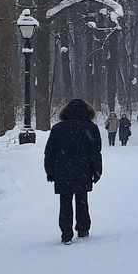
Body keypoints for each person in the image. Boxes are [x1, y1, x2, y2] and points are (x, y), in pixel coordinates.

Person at [44, 99, 103, 244]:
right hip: (83, 169)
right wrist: (97, 171)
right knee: (82, 199)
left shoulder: (58, 128)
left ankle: (66, 234)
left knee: (65, 202)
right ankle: (82, 228)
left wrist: (50, 171)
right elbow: (96, 152)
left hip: (62, 170)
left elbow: (50, 152)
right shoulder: (91, 128)